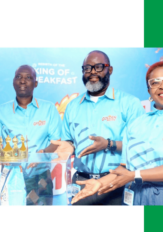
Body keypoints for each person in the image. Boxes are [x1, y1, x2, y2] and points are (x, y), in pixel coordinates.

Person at [71, 61, 163, 205]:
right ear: (149, 91)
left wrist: (134, 175)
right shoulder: (137, 123)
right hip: (134, 195)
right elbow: (125, 168)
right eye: (155, 82)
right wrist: (100, 183)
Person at [52, 50, 146, 205]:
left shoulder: (130, 104)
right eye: (87, 68)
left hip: (119, 182)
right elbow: (70, 141)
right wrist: (69, 147)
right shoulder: (72, 106)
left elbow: (140, 148)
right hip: (81, 185)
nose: (92, 72)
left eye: (99, 67)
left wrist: (109, 144)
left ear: (110, 69)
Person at [0, 65, 62, 205]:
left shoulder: (48, 109)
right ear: (13, 82)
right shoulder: (2, 111)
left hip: (40, 177)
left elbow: (56, 142)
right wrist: (3, 155)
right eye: (19, 77)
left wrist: (43, 153)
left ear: (35, 83)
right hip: (12, 176)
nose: (23, 81)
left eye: (28, 77)